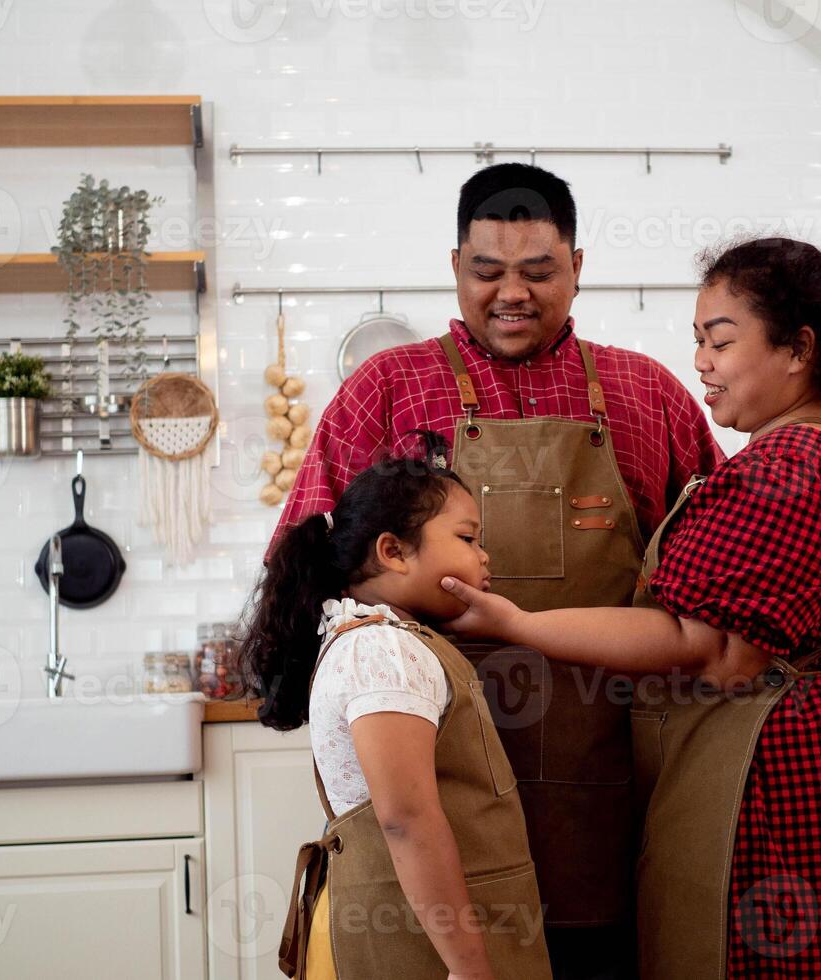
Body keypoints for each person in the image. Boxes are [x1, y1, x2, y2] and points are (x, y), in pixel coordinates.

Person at [437, 238, 821, 978]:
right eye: (697, 342)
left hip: (786, 764)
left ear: (798, 347)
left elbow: (710, 647)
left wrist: (515, 623)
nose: (701, 362)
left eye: (721, 340)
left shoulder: (789, 461)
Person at [268, 162, 721, 979]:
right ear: (454, 268)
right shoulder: (387, 390)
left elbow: (714, 596)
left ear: (577, 269)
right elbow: (299, 565)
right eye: (487, 271)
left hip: (613, 790)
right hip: (436, 789)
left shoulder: (646, 395)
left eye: (538, 272)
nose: (510, 292)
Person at [239, 432, 552, 980]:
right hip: (417, 947)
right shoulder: (383, 650)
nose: (485, 555)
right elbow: (407, 821)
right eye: (468, 537)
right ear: (393, 551)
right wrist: (470, 966)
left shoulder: (387, 639)